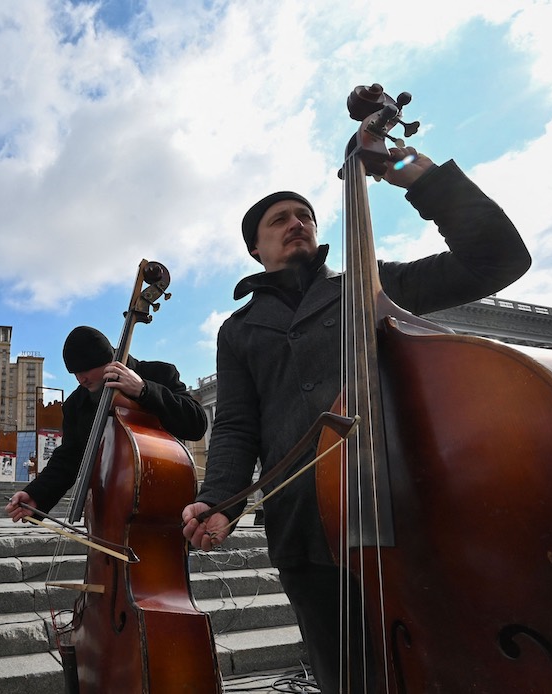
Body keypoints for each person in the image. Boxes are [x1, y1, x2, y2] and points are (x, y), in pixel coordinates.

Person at [181, 147, 531, 694]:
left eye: (305, 215)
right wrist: (221, 499)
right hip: (302, 521)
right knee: (342, 676)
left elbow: (497, 260)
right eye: (280, 219)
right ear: (256, 248)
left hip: (401, 509)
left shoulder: (371, 283)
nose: (296, 223)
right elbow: (236, 426)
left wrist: (423, 180)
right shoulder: (239, 329)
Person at [4, 326, 208, 521]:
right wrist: (35, 494)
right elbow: (69, 457)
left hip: (162, 503)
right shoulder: (76, 404)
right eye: (75, 373)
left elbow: (196, 424)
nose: (81, 379)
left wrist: (145, 390)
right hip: (106, 509)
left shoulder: (159, 374)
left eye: (86, 370)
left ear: (108, 360)